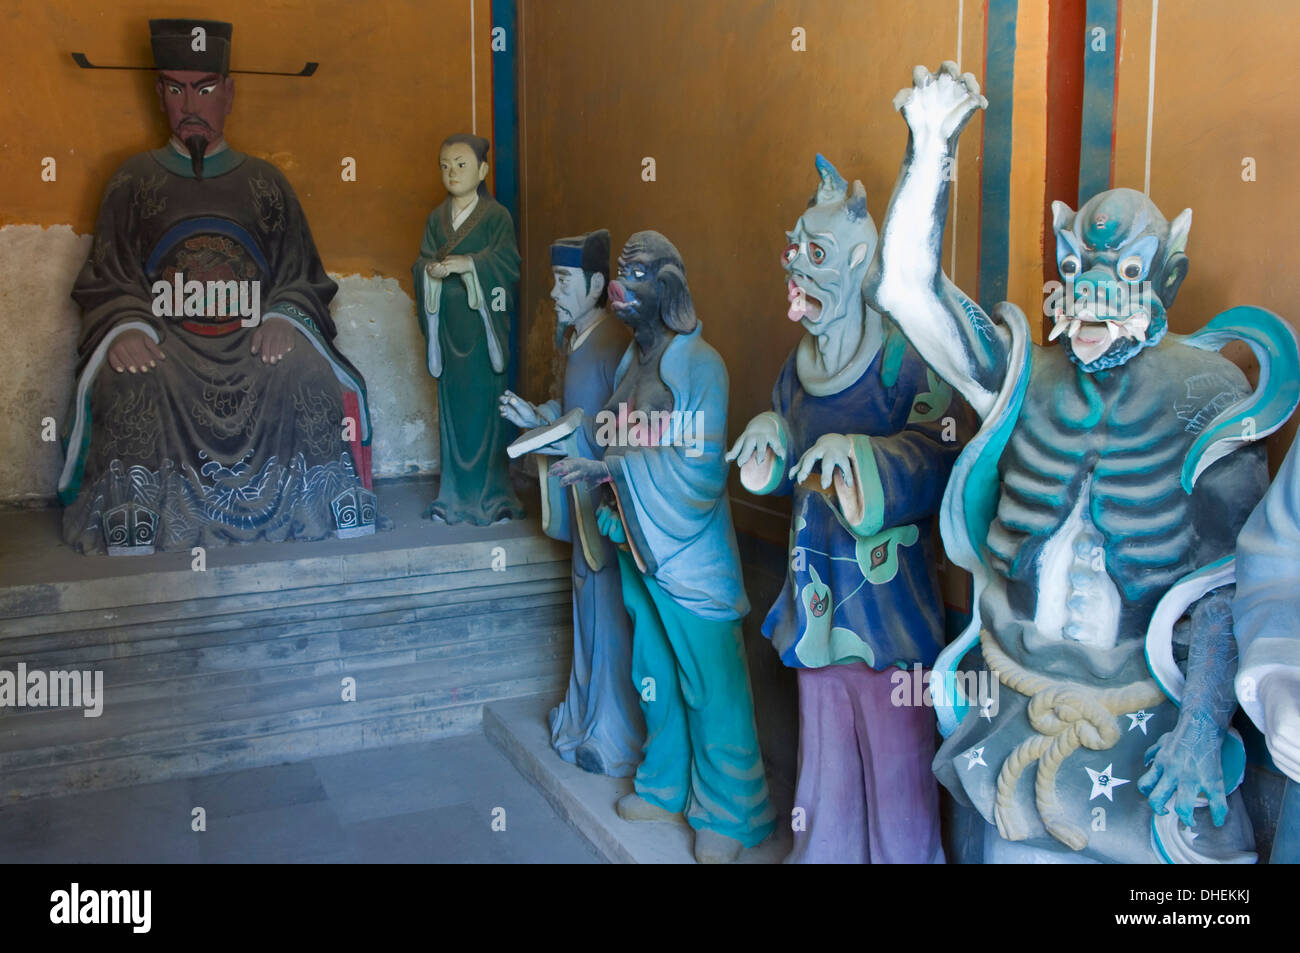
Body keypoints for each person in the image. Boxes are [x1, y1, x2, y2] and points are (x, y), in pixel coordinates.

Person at [63, 18, 376, 554]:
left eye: (205, 88)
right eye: (176, 88)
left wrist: (282, 317)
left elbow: (302, 275)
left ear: (229, 93)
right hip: (170, 347)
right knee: (130, 382)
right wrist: (126, 326)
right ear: (159, 92)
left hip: (253, 341)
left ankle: (327, 492)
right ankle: (135, 505)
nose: (191, 104)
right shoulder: (132, 180)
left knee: (305, 371)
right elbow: (108, 276)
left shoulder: (266, 183)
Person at [499, 230, 644, 777]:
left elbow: (618, 425)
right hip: (578, 496)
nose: (554, 294)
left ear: (597, 285)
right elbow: (574, 411)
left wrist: (571, 431)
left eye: (564, 282)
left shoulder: (613, 342)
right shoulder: (578, 338)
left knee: (609, 615)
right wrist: (540, 418)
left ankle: (614, 733)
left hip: (604, 501)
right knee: (585, 611)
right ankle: (585, 717)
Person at [412, 134, 524, 525]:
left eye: (461, 164)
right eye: (444, 165)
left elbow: (508, 264)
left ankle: (492, 496)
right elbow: (421, 262)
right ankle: (453, 495)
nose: (452, 173)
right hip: (447, 331)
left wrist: (468, 265)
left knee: (486, 410)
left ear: (482, 170)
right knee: (453, 412)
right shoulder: (435, 219)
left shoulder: (497, 217)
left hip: (482, 331)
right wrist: (431, 272)